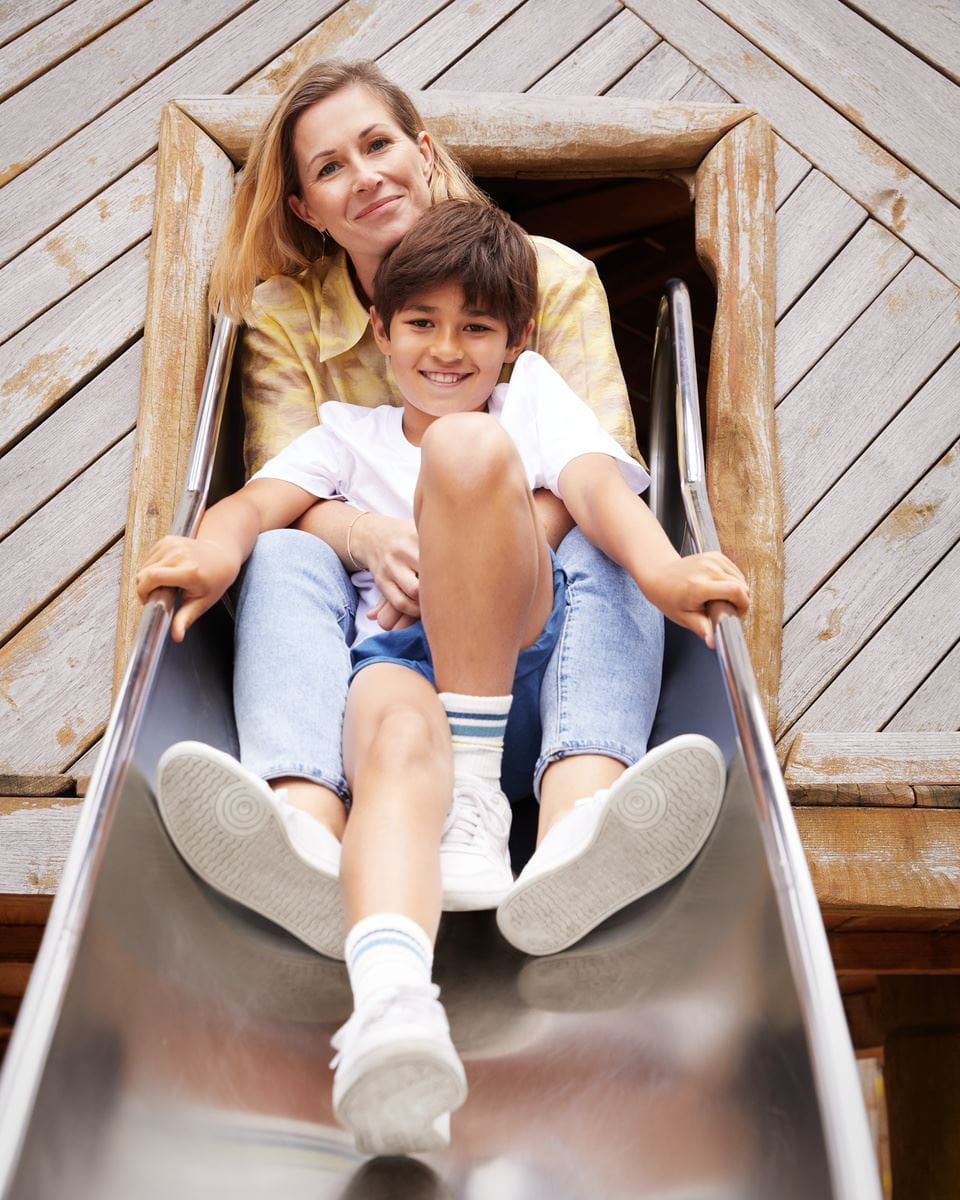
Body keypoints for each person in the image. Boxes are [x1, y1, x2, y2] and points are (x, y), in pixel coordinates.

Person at [139, 200, 749, 1152]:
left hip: (538, 660)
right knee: (386, 716)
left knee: (583, 526)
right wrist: (209, 556)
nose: (447, 349)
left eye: (477, 327)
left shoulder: (533, 402)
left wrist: (669, 572)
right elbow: (252, 505)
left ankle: (574, 831)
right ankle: (389, 1000)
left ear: (517, 341)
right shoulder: (347, 435)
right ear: (379, 331)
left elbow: (594, 485)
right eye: (420, 323)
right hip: (407, 671)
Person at [148, 57, 689, 962]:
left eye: (377, 144)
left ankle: (581, 821)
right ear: (305, 210)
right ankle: (303, 821)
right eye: (329, 168)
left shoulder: (543, 286)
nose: (363, 175)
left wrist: (472, 539)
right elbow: (274, 495)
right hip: (388, 641)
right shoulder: (310, 359)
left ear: (422, 151)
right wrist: (357, 538)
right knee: (283, 554)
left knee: (604, 538)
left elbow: (600, 472)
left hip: (529, 612)